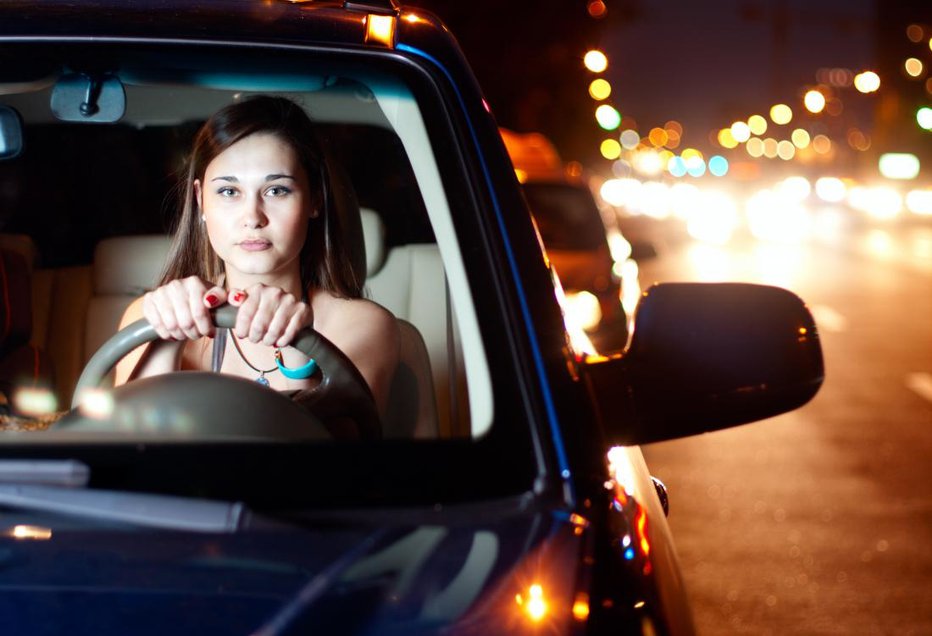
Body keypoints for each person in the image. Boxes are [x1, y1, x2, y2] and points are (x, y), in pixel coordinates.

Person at [115, 95, 400, 437]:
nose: (252, 217)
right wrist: (167, 336)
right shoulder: (145, 317)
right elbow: (130, 454)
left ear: (314, 200)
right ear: (200, 200)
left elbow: (336, 467)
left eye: (277, 190)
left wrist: (298, 347)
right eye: (229, 192)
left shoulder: (361, 325)